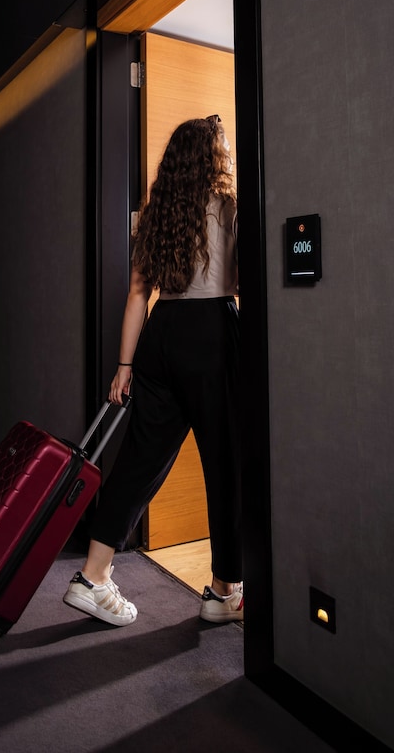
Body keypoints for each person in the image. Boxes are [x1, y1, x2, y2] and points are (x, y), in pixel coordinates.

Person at [63, 115, 242, 626]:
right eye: (224, 148)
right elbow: (241, 285)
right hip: (212, 334)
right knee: (226, 466)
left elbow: (137, 295)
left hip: (160, 337)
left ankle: (93, 576)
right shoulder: (230, 206)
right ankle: (225, 591)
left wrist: (124, 366)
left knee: (138, 462)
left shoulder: (156, 211)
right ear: (213, 157)